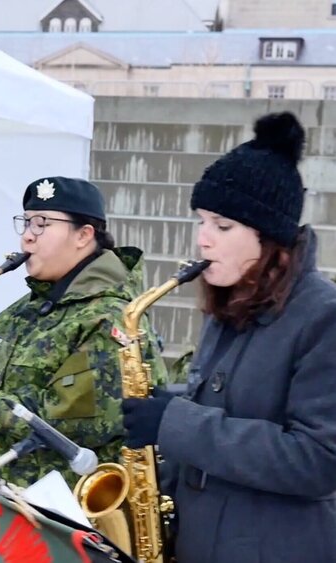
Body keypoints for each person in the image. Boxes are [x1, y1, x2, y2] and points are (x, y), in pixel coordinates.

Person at [122, 112, 336, 563]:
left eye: (222, 226)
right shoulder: (230, 304)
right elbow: (236, 403)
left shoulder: (323, 316)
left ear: (270, 237)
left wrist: (174, 423)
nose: (203, 240)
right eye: (201, 222)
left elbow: (318, 460)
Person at [0, 176, 167, 488]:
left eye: (41, 224)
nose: (27, 239)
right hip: (4, 497)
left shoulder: (110, 316)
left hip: (59, 511)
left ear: (83, 235)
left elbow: (79, 422)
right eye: (26, 223)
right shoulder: (32, 305)